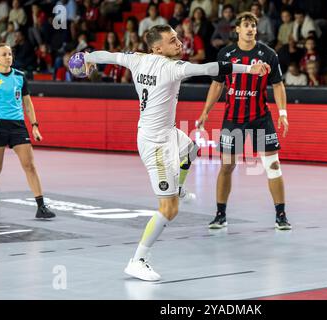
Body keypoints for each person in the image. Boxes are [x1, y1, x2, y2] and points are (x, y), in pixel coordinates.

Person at [82, 24, 270, 281]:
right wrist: (250, 68)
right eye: (172, 41)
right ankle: (138, 260)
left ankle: (178, 187)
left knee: (192, 149)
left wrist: (88, 58)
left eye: (178, 38)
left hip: (167, 133)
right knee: (169, 209)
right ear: (158, 48)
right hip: (156, 144)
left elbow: (108, 55)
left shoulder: (136, 59)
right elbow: (209, 69)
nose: (179, 43)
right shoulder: (172, 68)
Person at [196, 12, 291, 231]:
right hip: (233, 118)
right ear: (237, 29)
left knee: (273, 165)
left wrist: (283, 113)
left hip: (260, 118)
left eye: (253, 26)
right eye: (246, 25)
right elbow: (217, 84)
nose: (250, 29)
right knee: (227, 166)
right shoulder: (226, 53)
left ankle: (281, 215)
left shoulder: (268, 54)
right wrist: (205, 112)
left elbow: (278, 85)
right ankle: (220, 215)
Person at [0, 43, 56, 221]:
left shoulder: (20, 76)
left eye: (10, 54)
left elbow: (27, 102)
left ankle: (41, 207)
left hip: (18, 126)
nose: (8, 57)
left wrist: (34, 125)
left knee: (30, 165)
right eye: (3, 55)